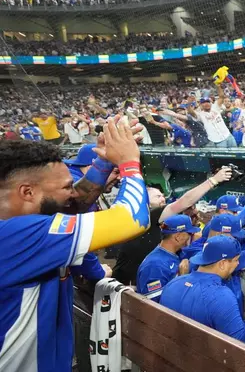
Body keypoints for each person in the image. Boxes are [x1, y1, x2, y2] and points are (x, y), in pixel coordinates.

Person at [0, 118, 150, 371]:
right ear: (27, 193)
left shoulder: (20, 222)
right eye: (66, 186)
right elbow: (132, 219)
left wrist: (103, 163)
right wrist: (129, 164)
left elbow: (74, 203)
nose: (74, 192)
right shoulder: (17, 235)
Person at [112, 166, 232, 285]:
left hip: (139, 283)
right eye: (157, 196)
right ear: (146, 203)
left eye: (163, 195)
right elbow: (184, 201)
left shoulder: (160, 225)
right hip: (125, 287)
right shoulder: (149, 216)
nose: (163, 198)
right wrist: (214, 180)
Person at [160, 235, 245, 345]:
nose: (238, 264)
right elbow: (240, 343)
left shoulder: (173, 283)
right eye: (236, 260)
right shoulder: (221, 296)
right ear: (222, 264)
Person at [136, 214, 201, 302]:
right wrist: (183, 278)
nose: (191, 236)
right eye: (189, 233)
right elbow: (155, 306)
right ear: (178, 237)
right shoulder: (155, 266)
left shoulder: (175, 252)